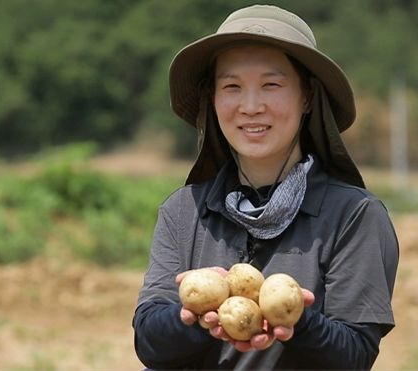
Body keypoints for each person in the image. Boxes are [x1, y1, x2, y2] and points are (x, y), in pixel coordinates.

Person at [133, 4, 399, 370]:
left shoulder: (355, 216)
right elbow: (148, 342)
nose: (251, 106)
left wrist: (296, 319)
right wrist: (196, 314)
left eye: (271, 85)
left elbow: (354, 355)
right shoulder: (183, 210)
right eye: (232, 87)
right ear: (213, 98)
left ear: (307, 97)